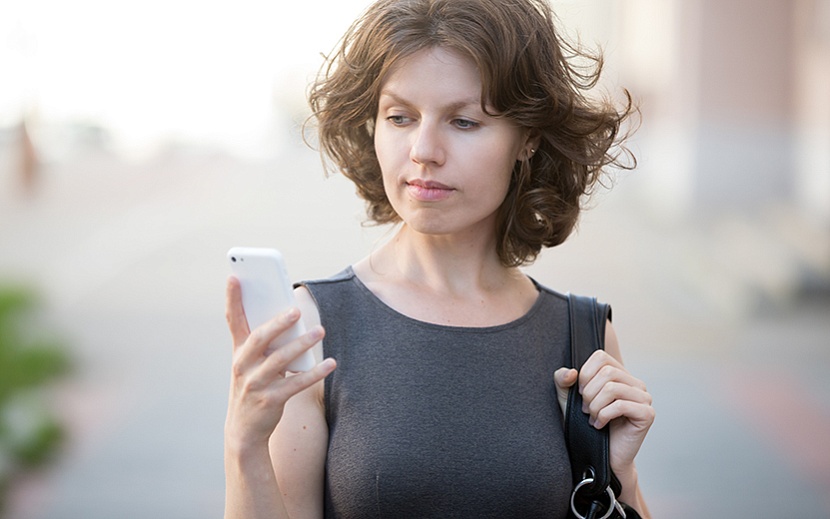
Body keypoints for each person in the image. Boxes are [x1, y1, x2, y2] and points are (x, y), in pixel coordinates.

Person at [223, 0, 655, 517]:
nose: (424, 149)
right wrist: (244, 447)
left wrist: (616, 472)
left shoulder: (582, 335)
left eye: (465, 121)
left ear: (528, 140)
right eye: (400, 116)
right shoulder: (315, 329)